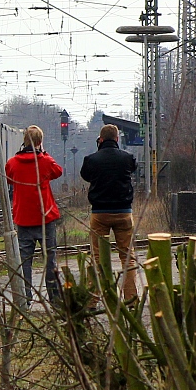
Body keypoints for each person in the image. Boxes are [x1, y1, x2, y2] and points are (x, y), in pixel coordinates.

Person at [5, 125, 64, 304]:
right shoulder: (45, 161)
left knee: (25, 260)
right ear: (40, 142)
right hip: (45, 217)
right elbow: (58, 171)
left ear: (24, 141)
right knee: (50, 259)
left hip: (23, 218)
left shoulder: (13, 163)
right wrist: (43, 153)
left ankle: (25, 298)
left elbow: (9, 177)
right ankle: (54, 298)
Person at [80, 124, 139, 302]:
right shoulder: (127, 158)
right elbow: (132, 169)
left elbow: (86, 175)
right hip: (123, 213)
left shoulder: (91, 160)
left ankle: (93, 299)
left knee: (97, 257)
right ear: (117, 139)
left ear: (101, 139)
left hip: (99, 213)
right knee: (128, 257)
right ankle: (131, 298)